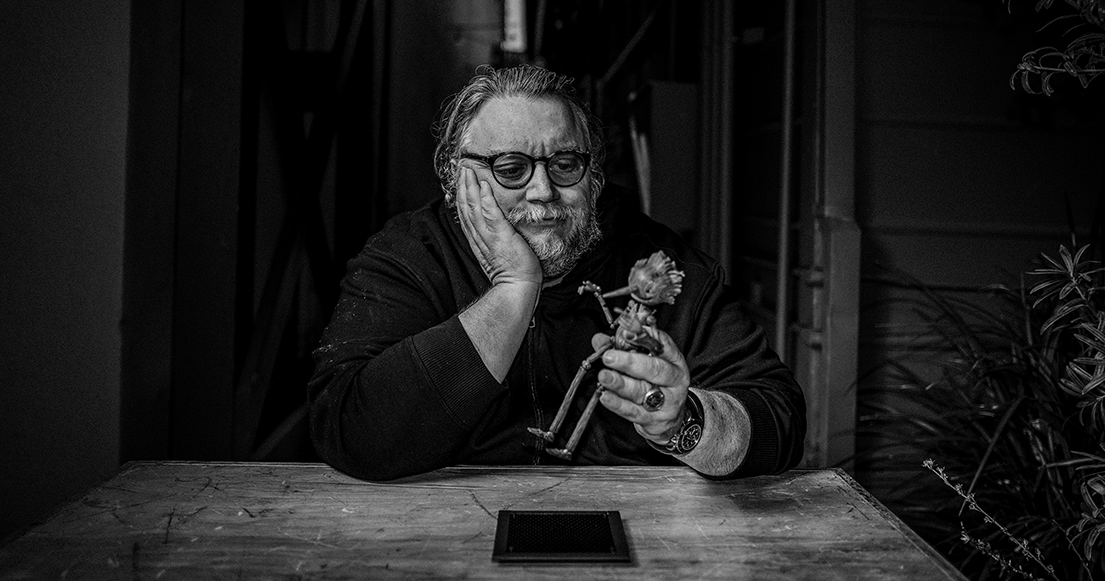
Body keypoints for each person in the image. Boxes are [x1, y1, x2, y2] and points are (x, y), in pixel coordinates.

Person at [308, 64, 805, 481]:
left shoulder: (660, 263)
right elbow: (349, 430)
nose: (543, 192)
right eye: (511, 168)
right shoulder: (408, 257)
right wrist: (514, 290)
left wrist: (685, 424)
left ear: (595, 176)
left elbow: (778, 419)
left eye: (565, 164)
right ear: (458, 176)